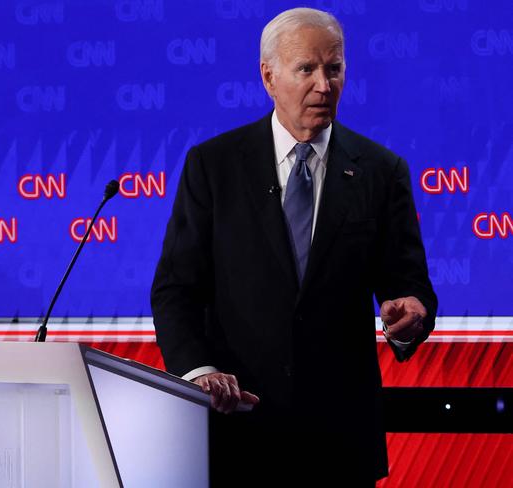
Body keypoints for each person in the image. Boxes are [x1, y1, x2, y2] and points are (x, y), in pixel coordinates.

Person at [151, 7, 437, 486]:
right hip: (237, 433)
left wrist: (410, 315)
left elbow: (409, 286)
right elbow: (176, 289)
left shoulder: (382, 171)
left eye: (334, 68)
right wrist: (198, 372)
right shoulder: (214, 166)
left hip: (340, 443)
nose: (324, 84)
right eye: (307, 69)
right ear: (269, 76)